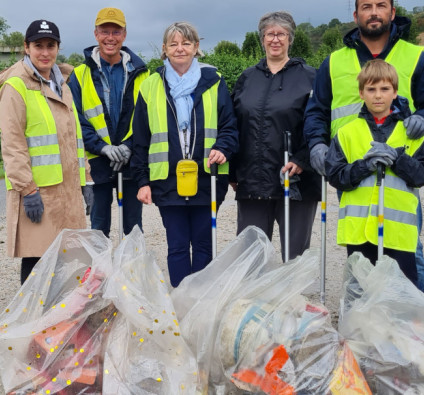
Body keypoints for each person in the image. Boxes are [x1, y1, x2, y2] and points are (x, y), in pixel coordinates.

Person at [303, 0, 424, 292]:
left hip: (399, 174)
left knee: (408, 246)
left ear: (392, 12)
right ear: (356, 15)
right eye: (366, 6)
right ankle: (363, 321)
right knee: (359, 250)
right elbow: (317, 110)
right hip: (351, 167)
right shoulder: (333, 62)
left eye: (381, 5)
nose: (374, 12)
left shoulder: (416, 57)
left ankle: (414, 319)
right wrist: (317, 145)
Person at [130, 21, 239, 287]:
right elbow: (140, 139)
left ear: (196, 47)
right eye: (174, 43)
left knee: (204, 245)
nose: (180, 48)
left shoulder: (215, 81)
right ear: (164, 49)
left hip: (207, 178)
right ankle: (181, 301)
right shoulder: (150, 85)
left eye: (186, 43)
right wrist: (143, 181)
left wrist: (223, 148)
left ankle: (200, 301)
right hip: (166, 181)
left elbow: (230, 126)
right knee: (177, 246)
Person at [0, 20, 87, 284]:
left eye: (50, 45)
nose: (45, 52)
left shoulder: (62, 83)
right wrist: (27, 190)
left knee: (62, 257)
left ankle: (55, 318)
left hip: (66, 189)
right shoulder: (16, 86)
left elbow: (73, 138)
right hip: (37, 192)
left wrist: (86, 179)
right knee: (37, 260)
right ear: (26, 48)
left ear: (58, 47)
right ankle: (33, 320)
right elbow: (12, 145)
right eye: (38, 46)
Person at [325, 59, 424, 285]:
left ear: (395, 93)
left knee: (400, 291)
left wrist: (398, 160)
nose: (377, 95)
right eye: (371, 89)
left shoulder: (409, 133)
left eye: (385, 89)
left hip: (397, 232)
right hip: (360, 233)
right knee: (361, 291)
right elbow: (335, 175)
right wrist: (364, 166)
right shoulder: (347, 133)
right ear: (361, 93)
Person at [230, 11, 319, 262]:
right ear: (262, 39)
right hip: (253, 180)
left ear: (290, 38)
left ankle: (291, 299)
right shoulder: (247, 78)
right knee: (250, 254)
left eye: (281, 34)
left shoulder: (311, 77)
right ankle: (253, 299)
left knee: (295, 255)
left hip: (296, 180)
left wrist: (303, 160)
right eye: (270, 34)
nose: (276, 39)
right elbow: (235, 124)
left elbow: (321, 125)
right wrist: (233, 171)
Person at [69, 7, 149, 238]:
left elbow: (148, 118)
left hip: (131, 161)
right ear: (95, 34)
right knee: (98, 228)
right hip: (97, 164)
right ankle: (100, 274)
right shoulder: (80, 74)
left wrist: (128, 146)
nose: (110, 38)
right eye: (105, 31)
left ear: (124, 34)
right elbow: (76, 119)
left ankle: (131, 273)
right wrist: (103, 148)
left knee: (133, 228)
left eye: (116, 31)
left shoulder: (142, 73)